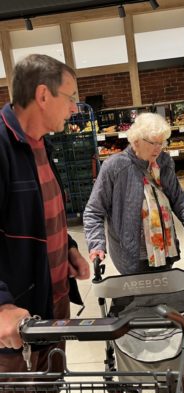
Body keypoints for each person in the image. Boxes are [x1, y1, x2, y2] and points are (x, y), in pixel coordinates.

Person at [0, 54, 90, 374]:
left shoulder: (41, 145)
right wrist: (2, 306)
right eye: (70, 97)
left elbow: (39, 214)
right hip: (17, 321)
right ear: (43, 95)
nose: (74, 108)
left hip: (52, 305)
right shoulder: (2, 147)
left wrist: (68, 249)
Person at [83, 112, 184, 273]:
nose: (158, 149)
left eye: (161, 143)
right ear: (136, 141)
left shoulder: (164, 162)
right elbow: (93, 211)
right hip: (132, 256)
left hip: (165, 250)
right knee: (140, 297)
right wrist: (96, 245)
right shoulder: (115, 167)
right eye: (153, 143)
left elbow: (180, 201)